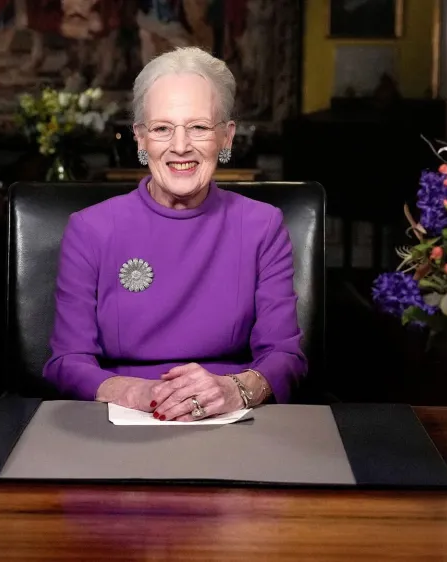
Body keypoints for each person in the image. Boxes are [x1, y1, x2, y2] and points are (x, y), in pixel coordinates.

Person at [43, 46, 307, 421]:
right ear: (140, 138)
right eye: (162, 128)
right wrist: (138, 392)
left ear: (226, 137)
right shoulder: (90, 229)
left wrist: (235, 390)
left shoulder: (262, 225)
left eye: (198, 127)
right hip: (120, 420)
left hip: (230, 422)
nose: (180, 146)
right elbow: (66, 361)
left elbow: (285, 357)